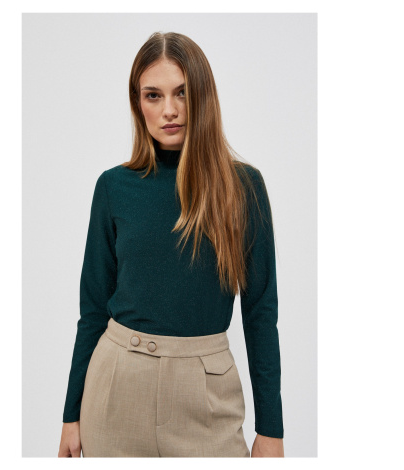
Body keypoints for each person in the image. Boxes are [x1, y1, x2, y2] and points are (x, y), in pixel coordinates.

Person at [58, 31, 284, 458]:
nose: (169, 110)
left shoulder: (243, 188)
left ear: (204, 95)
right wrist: (71, 415)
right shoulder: (114, 187)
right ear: (137, 103)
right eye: (153, 95)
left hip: (207, 399)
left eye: (182, 93)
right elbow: (93, 310)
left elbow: (260, 314)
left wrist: (271, 430)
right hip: (115, 390)